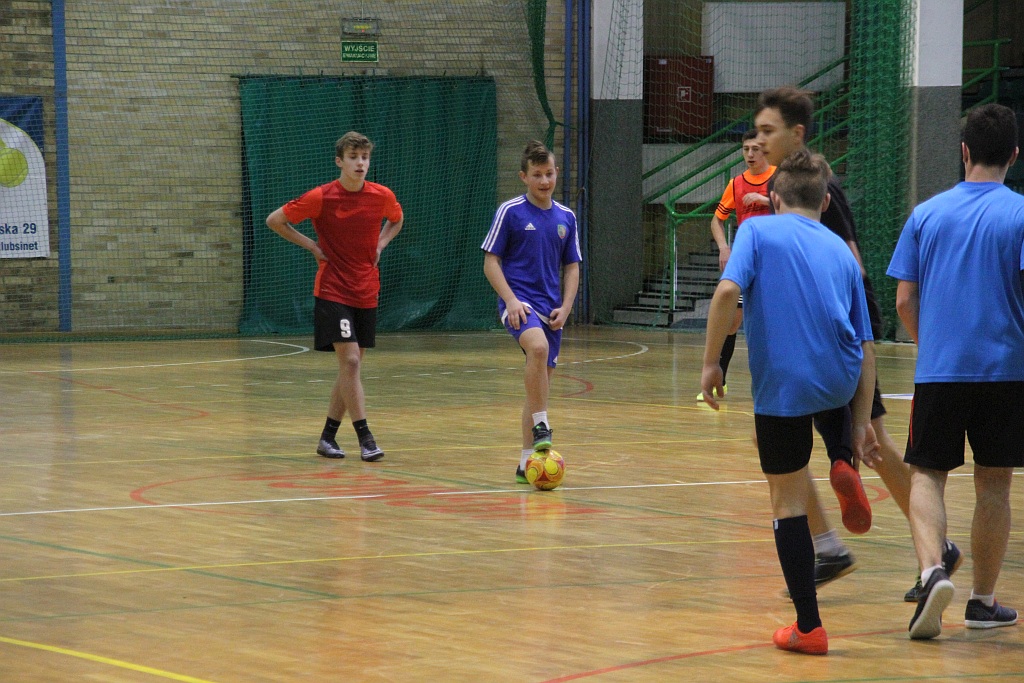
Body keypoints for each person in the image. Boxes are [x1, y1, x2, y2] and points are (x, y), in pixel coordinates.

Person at [753, 86, 962, 599]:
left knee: (872, 444)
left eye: (767, 131)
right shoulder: (784, 191)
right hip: (824, 344)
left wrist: (853, 341)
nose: (757, 140)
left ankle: (932, 549)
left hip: (841, 339)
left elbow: (851, 262)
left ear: (795, 134)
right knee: (828, 446)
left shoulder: (821, 188)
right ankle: (834, 545)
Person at [701, 149, 877, 655]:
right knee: (830, 381)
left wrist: (713, 363)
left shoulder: (756, 231)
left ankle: (809, 627)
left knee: (788, 503)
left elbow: (726, 294)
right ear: (825, 202)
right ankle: (842, 458)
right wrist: (862, 423)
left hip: (784, 385)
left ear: (773, 199)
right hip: (840, 381)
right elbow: (865, 349)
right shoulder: (844, 253)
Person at [887, 103, 1023, 640]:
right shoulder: (1020, 214)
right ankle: (982, 603)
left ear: (963, 151)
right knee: (995, 483)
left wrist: (933, 343)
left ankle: (931, 572)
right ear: (1014, 155)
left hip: (940, 370)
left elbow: (903, 300)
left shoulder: (926, 214)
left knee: (927, 473)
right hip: (1007, 371)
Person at [265, 131, 404, 462]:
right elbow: (276, 220)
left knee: (349, 369)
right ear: (339, 161)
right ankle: (366, 439)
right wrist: (312, 246)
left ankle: (327, 437)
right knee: (352, 361)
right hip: (332, 289)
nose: (360, 163)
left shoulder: (381, 195)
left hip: (367, 289)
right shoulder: (321, 197)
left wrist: (381, 243)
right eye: (353, 157)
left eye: (365, 157)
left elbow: (397, 220)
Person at [481, 140, 582, 483]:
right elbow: (490, 262)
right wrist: (510, 300)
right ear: (524, 177)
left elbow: (572, 266)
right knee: (536, 349)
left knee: (537, 386)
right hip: (519, 303)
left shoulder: (566, 218)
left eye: (549, 174)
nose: (544, 181)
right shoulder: (510, 212)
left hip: (552, 308)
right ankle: (542, 425)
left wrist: (566, 306)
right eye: (537, 175)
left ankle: (526, 462)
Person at [697, 129, 776, 402]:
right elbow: (716, 220)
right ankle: (721, 378)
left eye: (755, 148)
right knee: (731, 321)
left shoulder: (779, 179)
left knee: (770, 323)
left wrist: (767, 200)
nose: (750, 154)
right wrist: (724, 247)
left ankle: (775, 384)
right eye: (746, 149)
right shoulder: (736, 183)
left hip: (776, 260)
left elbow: (795, 209)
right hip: (747, 259)